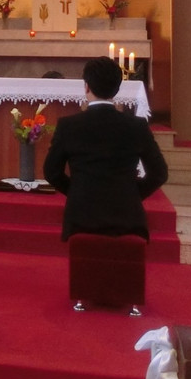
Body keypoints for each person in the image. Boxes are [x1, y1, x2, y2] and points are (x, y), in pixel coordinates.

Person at [43, 56, 168, 241]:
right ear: (117, 88)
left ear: (86, 86)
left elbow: (51, 172)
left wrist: (79, 192)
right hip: (127, 217)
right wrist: (130, 195)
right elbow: (159, 173)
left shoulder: (69, 125)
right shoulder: (136, 126)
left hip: (81, 217)